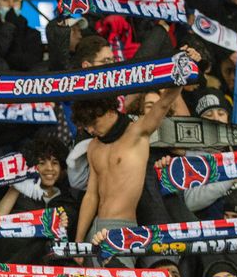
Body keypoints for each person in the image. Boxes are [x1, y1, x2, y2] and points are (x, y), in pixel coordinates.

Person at [72, 46, 202, 242]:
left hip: (122, 228)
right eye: (87, 126)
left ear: (109, 111)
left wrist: (185, 65)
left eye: (93, 124)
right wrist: (79, 241)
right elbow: (91, 196)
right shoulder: (94, 146)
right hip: (94, 229)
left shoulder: (137, 132)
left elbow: (165, 102)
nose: (90, 131)